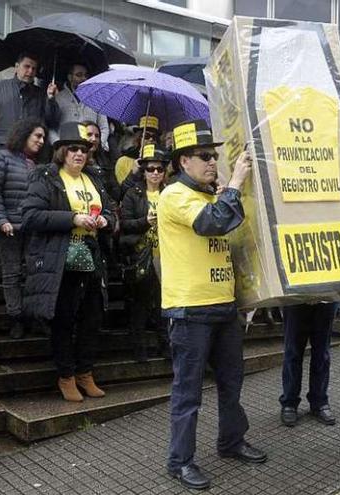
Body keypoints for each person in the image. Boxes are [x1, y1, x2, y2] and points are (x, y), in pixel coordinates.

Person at [159, 120, 265, 490]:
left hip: (224, 306)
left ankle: (231, 441)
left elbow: (235, 230)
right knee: (188, 392)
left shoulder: (209, 194)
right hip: (190, 311)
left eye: (215, 156)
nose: (212, 162)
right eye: (204, 156)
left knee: (231, 383)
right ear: (182, 161)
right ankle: (180, 461)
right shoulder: (174, 195)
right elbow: (212, 224)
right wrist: (234, 184)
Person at [21, 122, 116, 402]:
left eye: (84, 149)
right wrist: (72, 219)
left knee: (92, 319)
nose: (79, 154)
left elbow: (110, 210)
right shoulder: (46, 177)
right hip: (60, 260)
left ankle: (85, 373)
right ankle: (66, 376)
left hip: (91, 257)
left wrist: (106, 220)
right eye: (73, 148)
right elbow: (30, 216)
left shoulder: (95, 178)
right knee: (63, 321)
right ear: (61, 151)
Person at [0, 119, 46, 338]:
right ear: (24, 134)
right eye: (37, 136)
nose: (41, 141)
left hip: (31, 228)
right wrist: (1, 220)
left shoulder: (38, 165)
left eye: (43, 138)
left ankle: (33, 317)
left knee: (33, 273)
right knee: (11, 273)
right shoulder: (2, 157)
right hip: (7, 228)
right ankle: (16, 318)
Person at [120, 144, 168, 362]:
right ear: (144, 171)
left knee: (164, 304)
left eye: (159, 169)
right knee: (139, 304)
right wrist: (145, 222)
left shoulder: (170, 193)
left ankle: (165, 345)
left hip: (168, 256)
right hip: (142, 255)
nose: (155, 173)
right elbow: (125, 224)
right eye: (151, 169)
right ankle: (139, 349)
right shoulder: (133, 193)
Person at [278, 301, 338, 427]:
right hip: (295, 297)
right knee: (293, 352)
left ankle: (319, 401)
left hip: (326, 297)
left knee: (322, 354)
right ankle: (289, 402)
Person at [0, 53, 59, 149]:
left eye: (34, 68)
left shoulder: (41, 94)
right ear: (16, 66)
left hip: (30, 149)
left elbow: (51, 121)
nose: (30, 71)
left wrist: (51, 99)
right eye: (27, 66)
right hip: (3, 145)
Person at [51, 64, 109, 148]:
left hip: (92, 151)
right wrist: (58, 144)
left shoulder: (96, 99)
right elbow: (51, 126)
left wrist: (97, 146)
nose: (83, 79)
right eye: (79, 75)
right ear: (70, 77)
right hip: (65, 150)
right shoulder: (58, 98)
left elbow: (104, 127)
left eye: (86, 75)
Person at [115, 116, 159, 187]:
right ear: (139, 138)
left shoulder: (160, 162)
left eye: (154, 137)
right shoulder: (123, 161)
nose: (151, 140)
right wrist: (134, 173)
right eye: (147, 136)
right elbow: (122, 189)